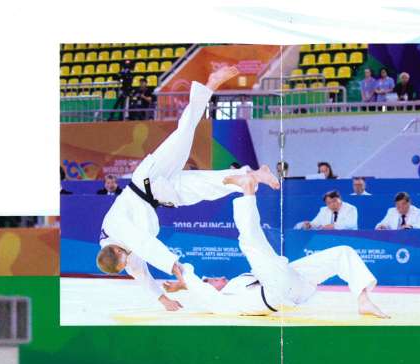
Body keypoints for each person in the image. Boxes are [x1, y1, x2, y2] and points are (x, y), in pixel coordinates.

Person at [93, 65, 274, 312]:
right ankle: (251, 175)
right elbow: (141, 275)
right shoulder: (121, 256)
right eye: (124, 264)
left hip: (148, 179)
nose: (128, 262)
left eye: (123, 260)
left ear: (115, 249)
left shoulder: (115, 230)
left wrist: (173, 266)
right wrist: (163, 299)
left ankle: (211, 84)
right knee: (204, 187)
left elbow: (145, 244)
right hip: (161, 194)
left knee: (184, 133)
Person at [173, 192, 387, 318]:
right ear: (209, 288)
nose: (219, 277)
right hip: (276, 292)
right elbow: (200, 289)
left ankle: (363, 300)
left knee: (343, 252)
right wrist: (185, 277)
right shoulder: (222, 302)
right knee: (249, 243)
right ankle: (247, 192)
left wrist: (184, 285)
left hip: (292, 284)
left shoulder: (237, 283)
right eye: (213, 280)